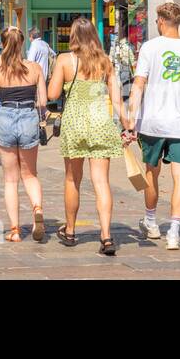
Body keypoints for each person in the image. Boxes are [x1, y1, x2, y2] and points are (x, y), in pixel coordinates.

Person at [123, 1, 180, 251]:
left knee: (151, 173)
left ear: (160, 21)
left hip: (153, 123)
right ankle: (175, 232)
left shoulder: (149, 48)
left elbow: (138, 85)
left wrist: (130, 120)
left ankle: (151, 221)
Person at [49, 18, 127, 255]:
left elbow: (52, 94)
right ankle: (106, 236)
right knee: (101, 181)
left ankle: (70, 230)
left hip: (75, 124)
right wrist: (127, 125)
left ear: (73, 35)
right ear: (94, 35)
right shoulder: (105, 62)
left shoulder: (65, 60)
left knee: (73, 179)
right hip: (100, 122)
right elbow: (117, 99)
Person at [0, 28, 47, 243]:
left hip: (5, 118)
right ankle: (37, 209)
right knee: (30, 174)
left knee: (10, 179)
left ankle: (15, 230)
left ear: (3, 44)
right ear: (22, 43)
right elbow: (43, 102)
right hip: (28, 117)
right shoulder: (34, 68)